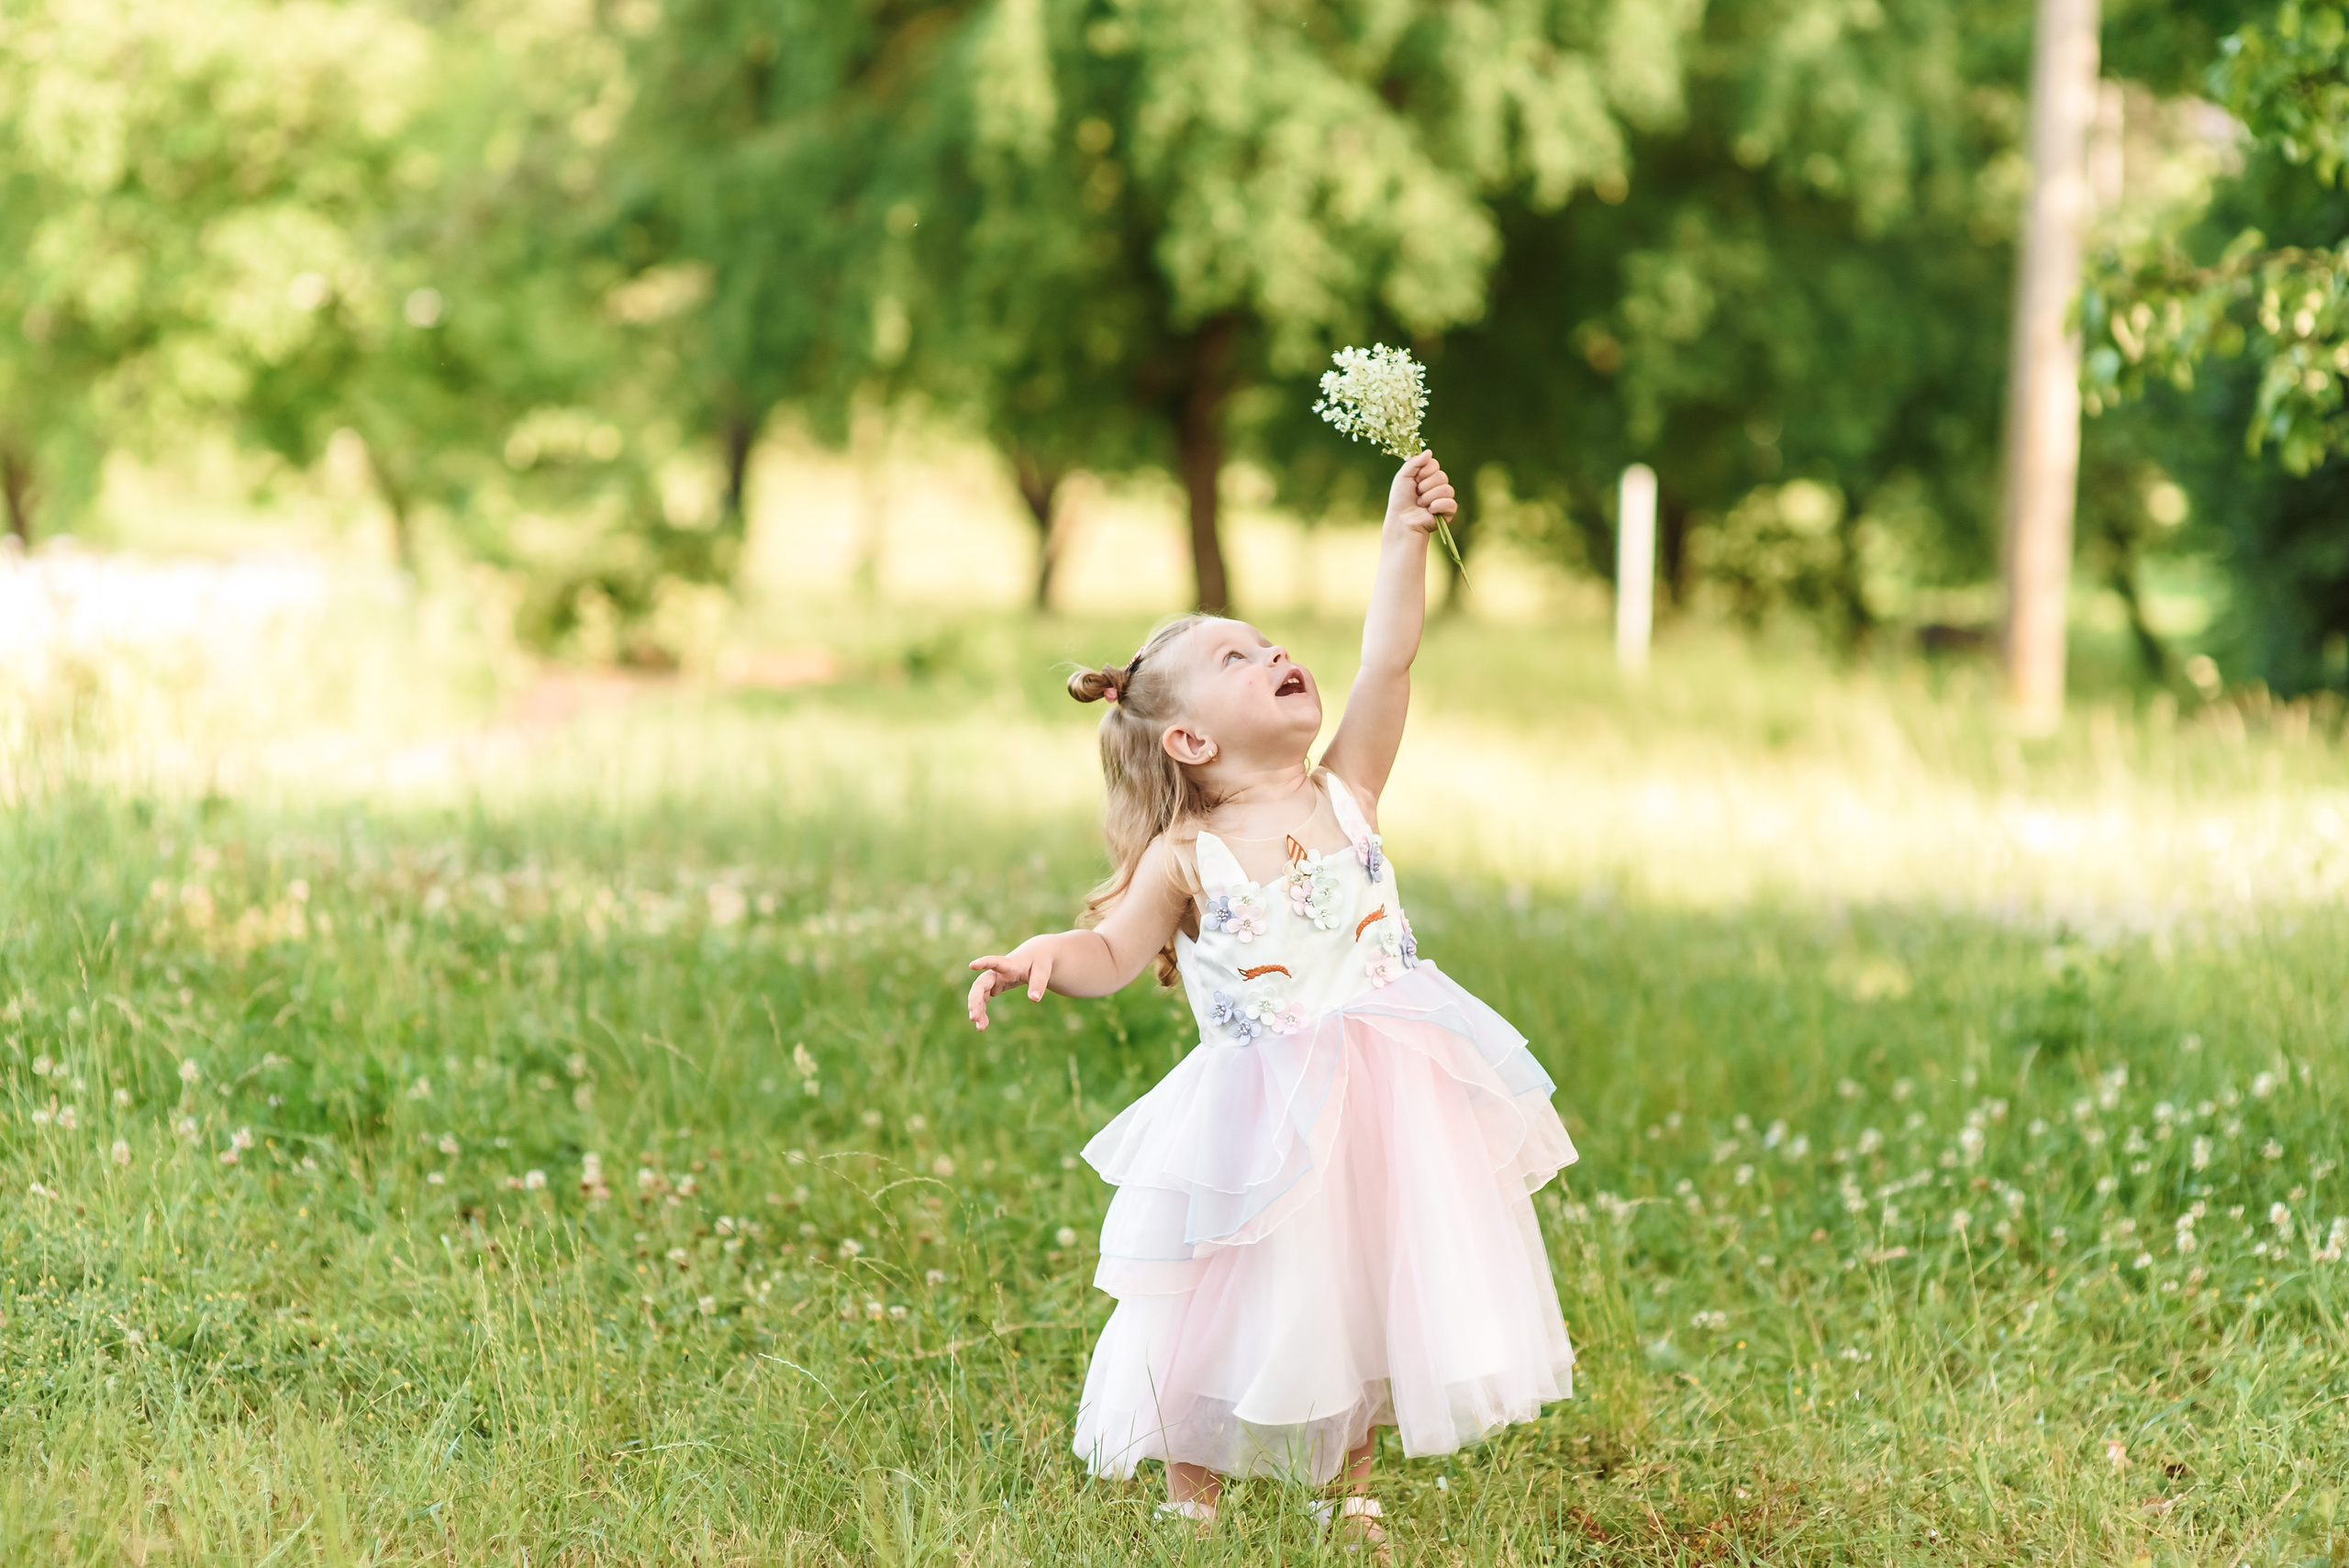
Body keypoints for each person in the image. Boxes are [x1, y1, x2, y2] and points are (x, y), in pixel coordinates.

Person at [965, 451, 1576, 1555]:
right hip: (1256, 1110)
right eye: (1237, 658)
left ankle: (1351, 1488)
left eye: (1268, 642)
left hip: (1387, 1098)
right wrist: (1043, 953)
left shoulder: (1350, 789)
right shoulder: (1185, 855)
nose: (1276, 652)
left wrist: (1402, 537)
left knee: (1356, 1282)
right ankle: (1189, 1485)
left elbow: (1387, 658)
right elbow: (1111, 948)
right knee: (1231, 1294)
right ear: (1189, 741)